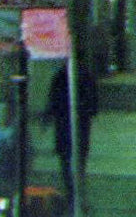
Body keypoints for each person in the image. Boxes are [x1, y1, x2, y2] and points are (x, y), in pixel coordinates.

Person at [47, 62, 99, 199]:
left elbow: (53, 103)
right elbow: (93, 107)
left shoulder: (60, 77)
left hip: (67, 126)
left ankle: (72, 191)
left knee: (68, 161)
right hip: (76, 126)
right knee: (76, 161)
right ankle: (75, 191)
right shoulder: (84, 77)